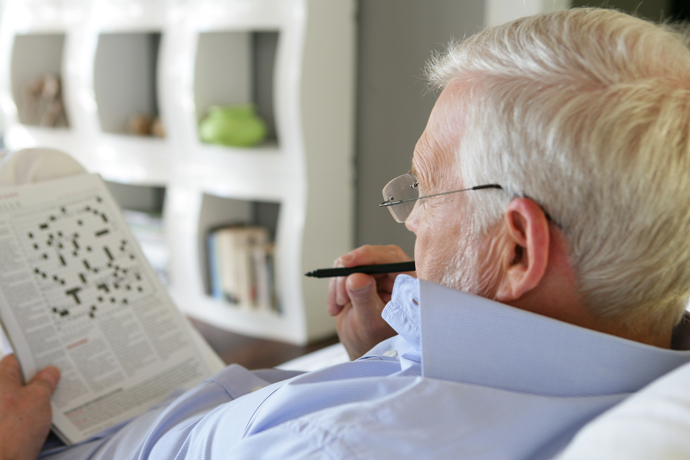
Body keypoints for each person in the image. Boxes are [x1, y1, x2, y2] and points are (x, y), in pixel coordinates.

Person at [4, 7, 690, 459]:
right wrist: (391, 354)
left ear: (516, 250)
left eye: (423, 187)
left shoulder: (343, 445)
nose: (412, 217)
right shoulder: (646, 352)